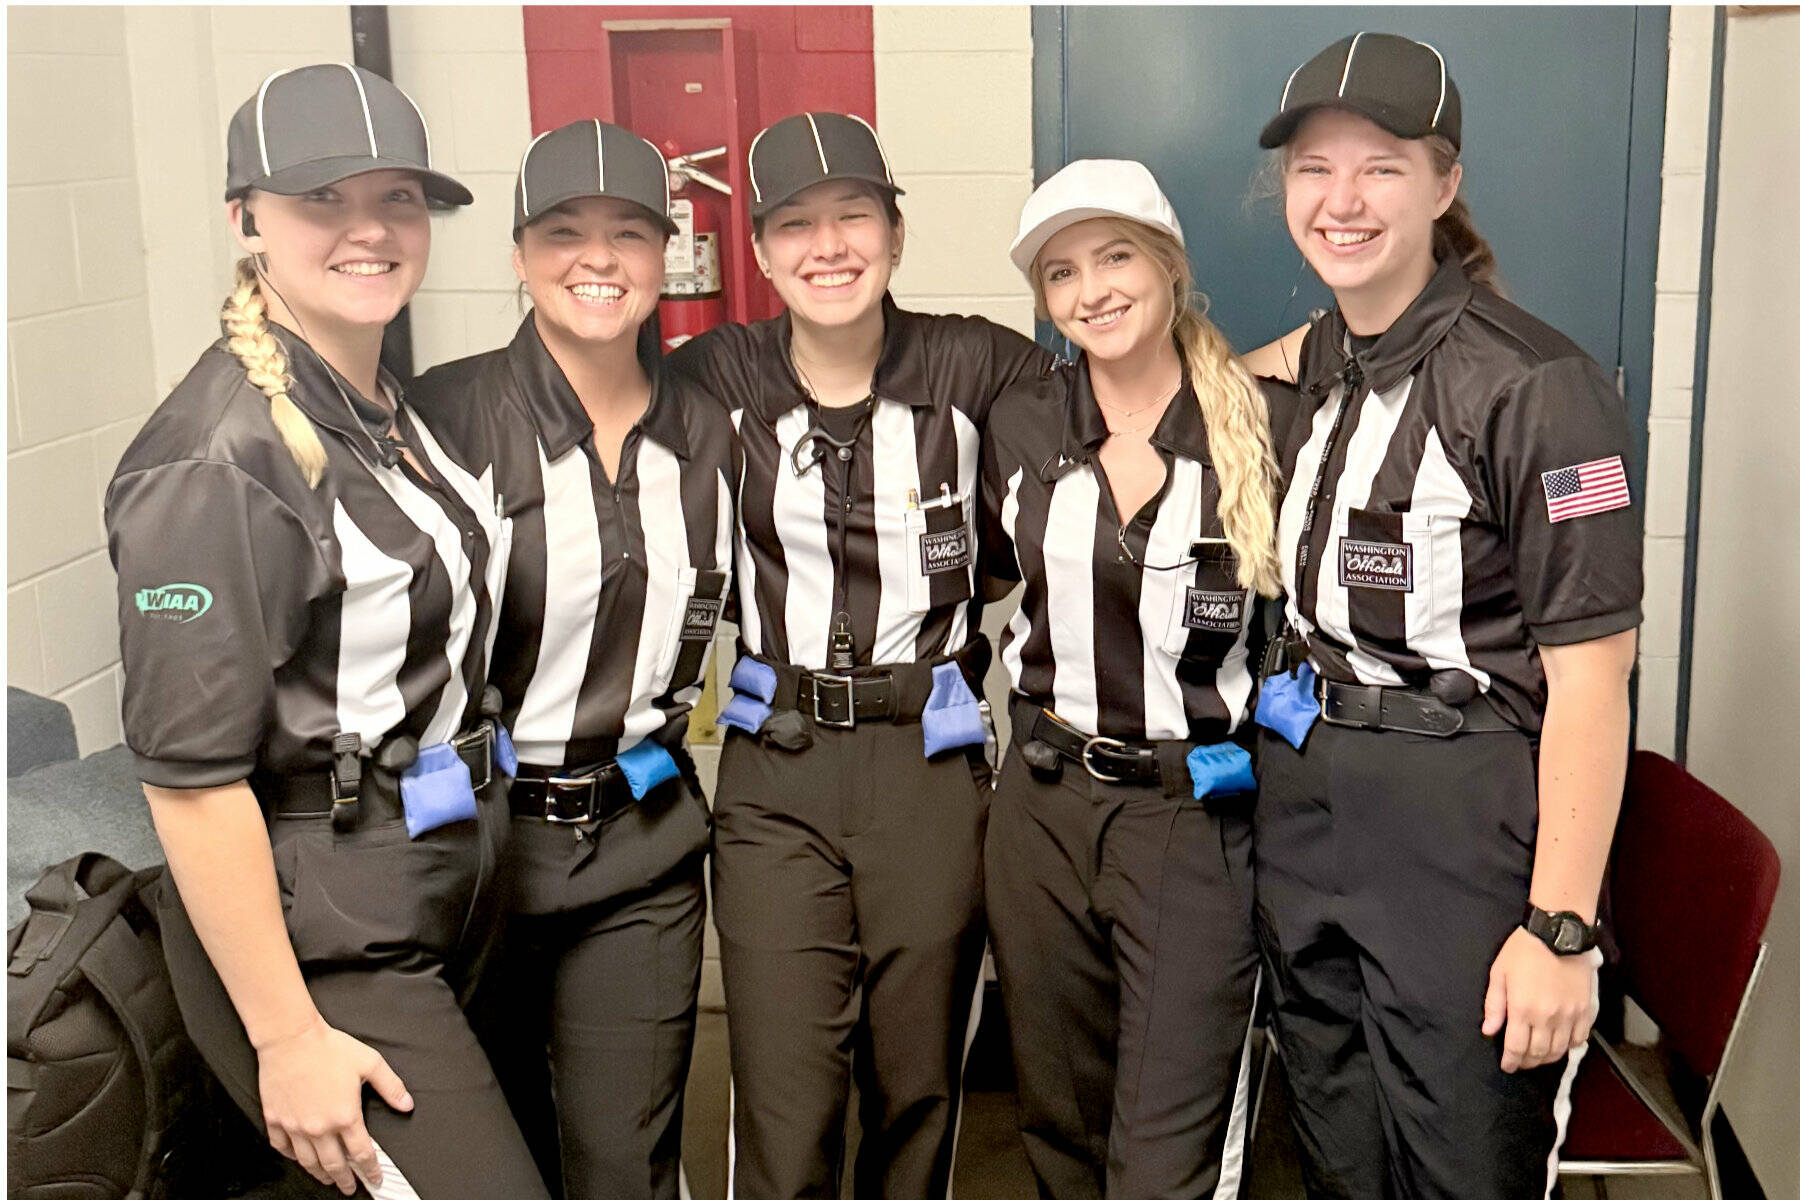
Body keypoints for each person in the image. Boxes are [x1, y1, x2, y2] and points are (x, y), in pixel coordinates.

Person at [105, 64, 547, 1200]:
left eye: (396, 198)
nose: (370, 229)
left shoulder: (377, 403)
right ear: (244, 221)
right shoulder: (218, 461)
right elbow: (190, 783)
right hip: (330, 931)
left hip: (448, 877)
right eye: (322, 201)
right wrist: (288, 1038)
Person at [1249, 33, 1643, 1200]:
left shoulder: (1537, 389)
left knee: (1464, 1167)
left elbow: (1592, 680)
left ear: (1444, 183)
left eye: (1379, 166)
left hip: (1462, 820)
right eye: (1314, 170)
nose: (1342, 200)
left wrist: (1562, 928)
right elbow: (1203, 382)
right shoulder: (1316, 361)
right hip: (1309, 799)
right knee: (1337, 1157)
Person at [666, 112, 1054, 1200]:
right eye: (796, 224)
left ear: (894, 232)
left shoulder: (978, 362)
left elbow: (1123, 406)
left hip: (925, 767)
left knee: (917, 1086)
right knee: (785, 1094)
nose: (827, 245)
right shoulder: (711, 377)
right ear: (756, 249)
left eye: (853, 217)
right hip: (775, 768)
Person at [409, 120, 735, 1200]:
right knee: (492, 1166)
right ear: (516, 252)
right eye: (564, 231)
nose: (599, 258)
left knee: (621, 1162)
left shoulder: (715, 428)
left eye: (629, 233)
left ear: (665, 256)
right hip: (473, 856)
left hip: (638, 845)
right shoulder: (437, 418)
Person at [979, 159, 1282, 1200]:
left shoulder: (1260, 425)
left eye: (1115, 257)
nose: (1092, 289)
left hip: (1189, 821)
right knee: (1061, 1122)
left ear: (1169, 267)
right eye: (1061, 274)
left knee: (1165, 1159)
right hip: (1045, 808)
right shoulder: (1021, 422)